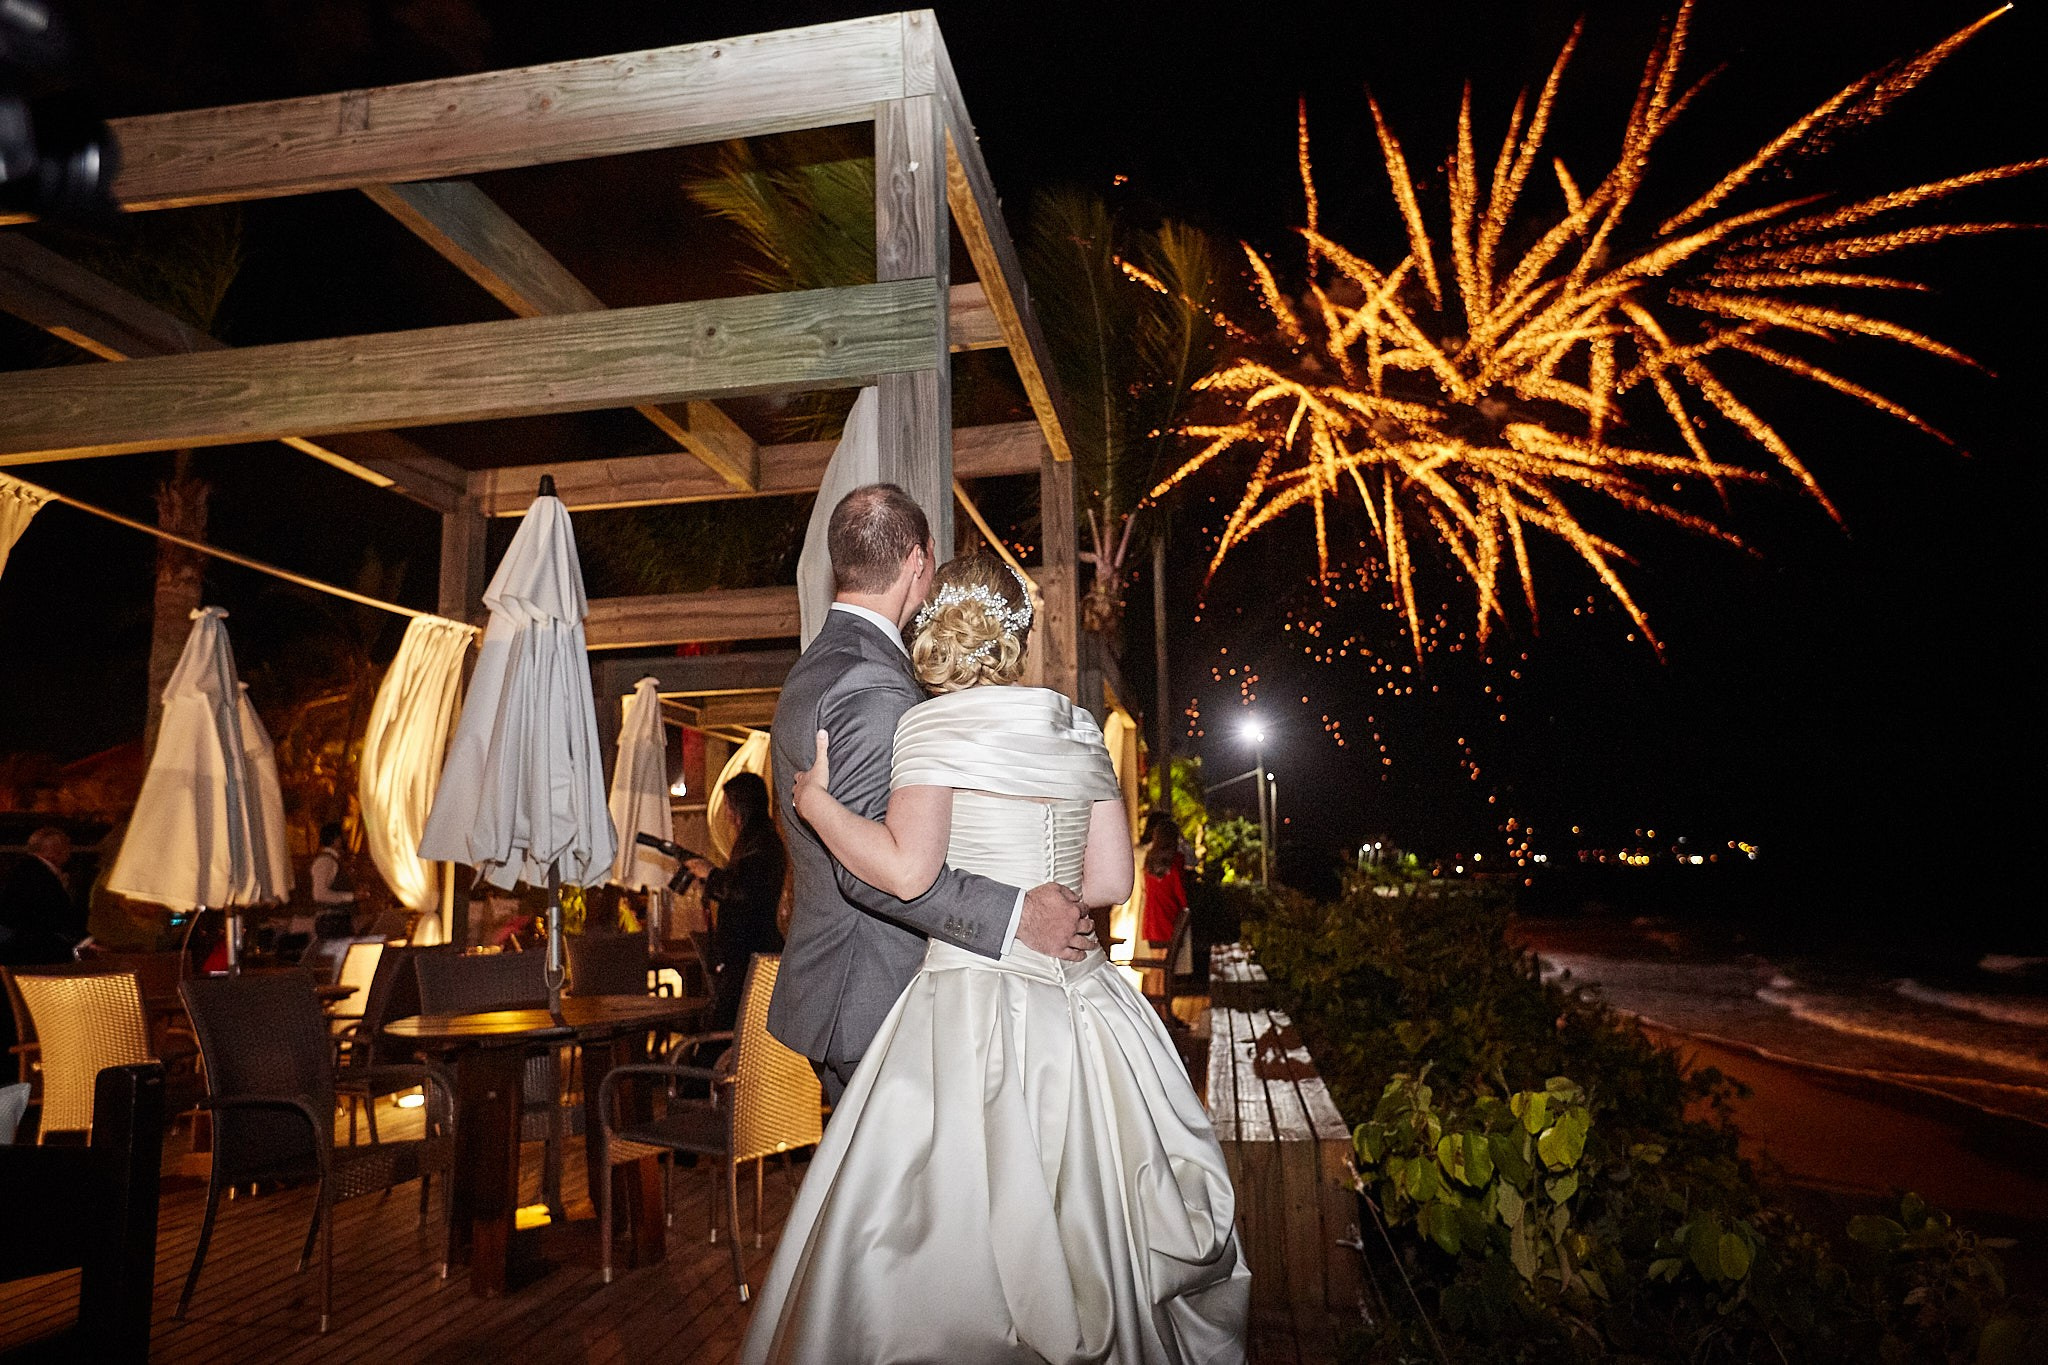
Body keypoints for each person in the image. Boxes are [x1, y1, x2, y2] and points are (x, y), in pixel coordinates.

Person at [741, 553, 1249, 1365]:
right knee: (1097, 1215)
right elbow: (1111, 879)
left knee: (950, 1242)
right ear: (1018, 632)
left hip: (971, 1000)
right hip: (1083, 1005)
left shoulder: (930, 727)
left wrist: (817, 807)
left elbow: (908, 870)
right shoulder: (1077, 722)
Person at [765, 484, 1094, 1105]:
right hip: (873, 993)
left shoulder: (823, 660)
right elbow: (871, 871)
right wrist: (1019, 914)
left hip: (852, 990)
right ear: (918, 562)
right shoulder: (873, 684)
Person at [684, 770, 788, 1031]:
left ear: (740, 804)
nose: (728, 815)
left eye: (729, 806)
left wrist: (711, 874)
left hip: (749, 955)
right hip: (746, 953)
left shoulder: (761, 842)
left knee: (730, 1026)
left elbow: (744, 890)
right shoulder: (757, 840)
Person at [0, 826, 82, 966]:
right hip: (31, 948)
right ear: (56, 850)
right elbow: (54, 913)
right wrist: (81, 939)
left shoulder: (26, 869)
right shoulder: (39, 875)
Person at [1140, 808, 1191, 950]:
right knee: (1168, 963)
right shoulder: (1176, 860)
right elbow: (1179, 891)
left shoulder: (1149, 861)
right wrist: (1186, 911)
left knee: (1157, 964)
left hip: (1152, 920)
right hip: (1170, 918)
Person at [307, 821, 358, 940]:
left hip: (338, 922)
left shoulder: (334, 861)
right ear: (336, 840)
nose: (346, 839)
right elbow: (319, 894)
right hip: (332, 923)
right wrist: (351, 896)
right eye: (344, 836)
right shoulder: (325, 861)